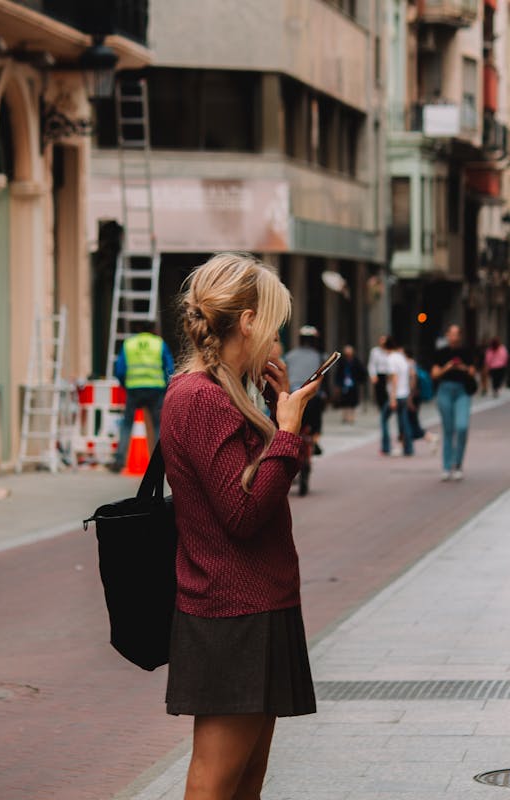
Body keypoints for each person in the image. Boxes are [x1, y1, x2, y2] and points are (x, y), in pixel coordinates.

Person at [160, 253, 320, 800]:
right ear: (247, 321)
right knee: (215, 783)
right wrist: (289, 431)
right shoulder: (201, 397)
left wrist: (278, 420)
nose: (277, 339)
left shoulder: (224, 392)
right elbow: (242, 513)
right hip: (232, 613)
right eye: (273, 325)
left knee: (245, 783)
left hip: (253, 606)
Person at [111, 321, 174, 472]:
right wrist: (166, 385)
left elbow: (119, 369)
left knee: (127, 425)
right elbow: (170, 368)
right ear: (153, 329)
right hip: (155, 389)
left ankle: (119, 460)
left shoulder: (129, 344)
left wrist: (125, 384)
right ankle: (160, 462)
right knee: (158, 425)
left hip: (133, 389)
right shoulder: (159, 343)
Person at [431, 324, 476, 481]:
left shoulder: (466, 352)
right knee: (448, 429)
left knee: (462, 427)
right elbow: (434, 374)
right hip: (445, 391)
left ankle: (458, 464)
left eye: (457, 334)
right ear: (447, 335)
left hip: (462, 391)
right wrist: (447, 368)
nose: (454, 337)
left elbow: (472, 371)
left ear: (460, 336)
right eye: (451, 334)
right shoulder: (441, 353)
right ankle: (446, 466)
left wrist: (462, 367)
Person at [284, 325, 327, 455]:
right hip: (312, 396)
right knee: (317, 418)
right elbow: (324, 380)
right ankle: (315, 440)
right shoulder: (320, 357)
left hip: (293, 394)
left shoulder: (289, 356)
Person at [380, 337, 413, 456]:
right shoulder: (401, 357)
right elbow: (409, 374)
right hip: (404, 393)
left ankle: (386, 447)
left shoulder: (391, 359)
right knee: (404, 421)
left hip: (396, 394)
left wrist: (392, 398)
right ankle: (408, 448)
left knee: (384, 419)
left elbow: (394, 378)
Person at [405, 347, 438, 452]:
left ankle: (430, 437)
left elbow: (413, 378)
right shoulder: (413, 364)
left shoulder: (409, 364)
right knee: (410, 421)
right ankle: (405, 445)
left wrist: (410, 398)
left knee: (411, 422)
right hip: (415, 396)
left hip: (412, 396)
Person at [334, 344, 367, 423]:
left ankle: (352, 418)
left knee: (353, 402)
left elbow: (362, 372)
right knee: (344, 401)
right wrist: (337, 384)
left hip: (353, 384)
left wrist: (360, 380)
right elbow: (338, 373)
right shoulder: (342, 361)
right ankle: (345, 417)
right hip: (344, 384)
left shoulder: (356, 361)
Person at [368, 334, 390, 409]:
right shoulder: (375, 351)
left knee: (388, 391)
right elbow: (372, 364)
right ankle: (381, 407)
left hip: (389, 374)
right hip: (379, 374)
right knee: (379, 393)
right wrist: (373, 375)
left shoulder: (390, 351)